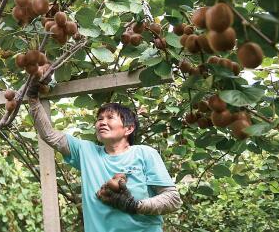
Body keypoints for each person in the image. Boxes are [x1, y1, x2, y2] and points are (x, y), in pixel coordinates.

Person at [27, 78, 182, 232]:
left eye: (109, 118)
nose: (101, 122)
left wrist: (135, 205)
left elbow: (173, 200)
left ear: (128, 128)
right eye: (99, 119)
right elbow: (49, 135)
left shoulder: (145, 153)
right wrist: (33, 99)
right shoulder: (86, 152)